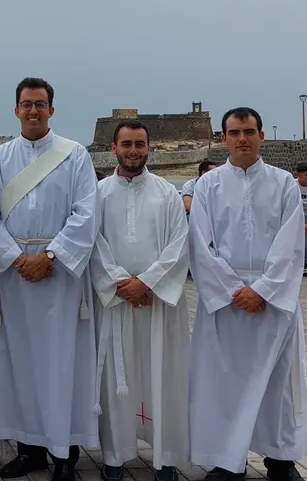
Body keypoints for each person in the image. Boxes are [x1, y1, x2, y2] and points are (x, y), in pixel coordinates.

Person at [0, 77, 99, 481]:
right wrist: (17, 258)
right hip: (15, 278)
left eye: (40, 104)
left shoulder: (75, 156)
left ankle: (65, 456)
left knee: (60, 363)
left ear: (52, 109)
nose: (33, 110)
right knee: (18, 364)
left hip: (59, 278)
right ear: (16, 110)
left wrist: (50, 256)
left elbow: (87, 213)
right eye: (26, 104)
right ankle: (29, 450)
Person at [189, 107, 307, 481]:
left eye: (249, 131)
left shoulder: (284, 183)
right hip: (225, 303)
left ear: (262, 136)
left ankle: (280, 460)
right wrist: (231, 289)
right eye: (235, 132)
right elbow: (200, 243)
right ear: (222, 138)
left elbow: (291, 244)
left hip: (273, 301)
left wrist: (263, 290)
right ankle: (229, 460)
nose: (243, 138)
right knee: (224, 383)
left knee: (278, 385)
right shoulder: (207, 186)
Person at [90, 121, 190, 481]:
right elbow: (93, 244)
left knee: (162, 376)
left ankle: (166, 457)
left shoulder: (167, 194)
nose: (134, 151)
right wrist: (120, 282)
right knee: (118, 380)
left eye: (140, 144)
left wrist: (146, 283)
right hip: (116, 303)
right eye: (126, 144)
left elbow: (180, 245)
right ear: (113, 148)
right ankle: (115, 456)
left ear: (150, 149)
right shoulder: (97, 194)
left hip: (157, 303)